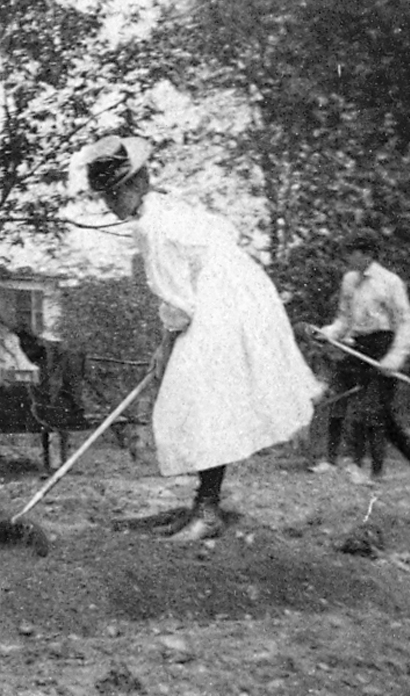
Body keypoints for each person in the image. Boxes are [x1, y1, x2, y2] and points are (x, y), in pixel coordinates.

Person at [75, 136, 321, 541]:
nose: (109, 204)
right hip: (237, 292)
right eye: (105, 196)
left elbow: (179, 303)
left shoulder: (152, 226)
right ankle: (204, 502)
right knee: (198, 399)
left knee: (196, 396)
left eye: (113, 194)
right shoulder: (166, 206)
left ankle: (207, 510)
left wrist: (165, 348)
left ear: (135, 184)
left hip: (223, 301)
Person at [313, 231, 410, 485]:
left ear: (367, 254)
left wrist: (395, 358)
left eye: (351, 252)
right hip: (359, 347)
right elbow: (343, 320)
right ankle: (357, 464)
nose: (347, 258)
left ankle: (366, 468)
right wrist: (326, 333)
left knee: (372, 410)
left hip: (384, 346)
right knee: (361, 406)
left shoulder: (390, 281)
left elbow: (407, 323)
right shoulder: (349, 281)